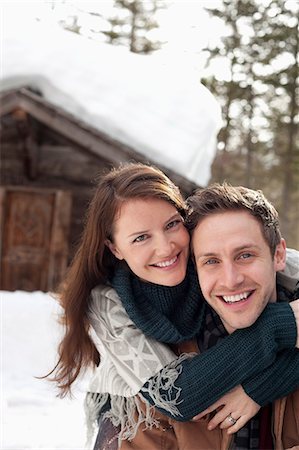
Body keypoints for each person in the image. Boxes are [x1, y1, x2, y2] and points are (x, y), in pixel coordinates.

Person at [48, 163, 299, 450]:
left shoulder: (223, 253)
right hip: (150, 399)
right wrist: (281, 326)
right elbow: (176, 397)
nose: (166, 248)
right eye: (141, 237)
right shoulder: (110, 304)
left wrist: (265, 384)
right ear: (115, 248)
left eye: (171, 225)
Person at [187, 183, 299, 449]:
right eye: (211, 261)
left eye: (245, 255)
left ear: (278, 255)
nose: (231, 279)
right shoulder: (166, 359)